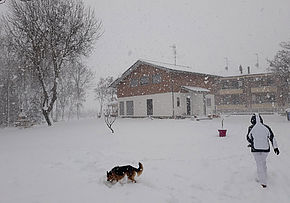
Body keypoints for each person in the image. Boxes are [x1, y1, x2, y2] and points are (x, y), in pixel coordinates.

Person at [246, 113, 280, 188]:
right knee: (263, 162)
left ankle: (263, 182)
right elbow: (272, 137)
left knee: (259, 164)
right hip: (265, 149)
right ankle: (264, 175)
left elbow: (248, 138)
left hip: (255, 149)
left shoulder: (251, 128)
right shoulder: (266, 127)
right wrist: (275, 147)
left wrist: (252, 143)